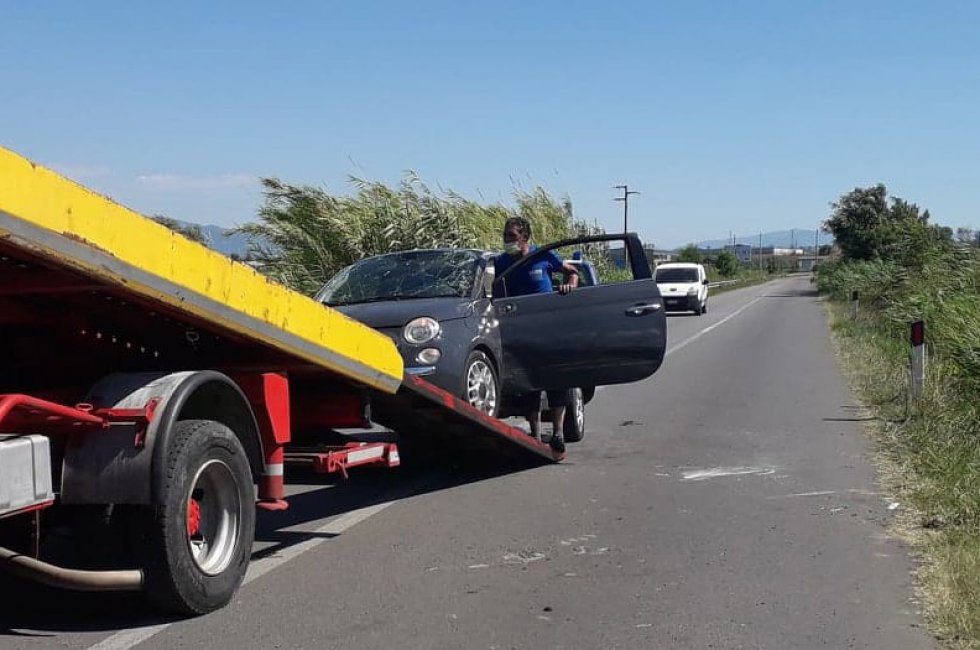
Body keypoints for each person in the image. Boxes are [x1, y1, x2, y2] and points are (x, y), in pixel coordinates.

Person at [493, 216, 580, 453]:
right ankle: (535, 434)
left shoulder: (543, 256)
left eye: (512, 236)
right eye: (505, 236)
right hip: (520, 330)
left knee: (556, 381)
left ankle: (559, 433)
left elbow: (572, 273)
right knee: (529, 383)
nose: (507, 240)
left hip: (549, 328)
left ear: (525, 238)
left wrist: (569, 285)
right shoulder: (501, 263)